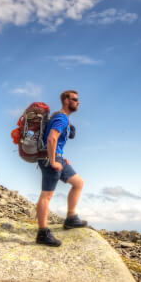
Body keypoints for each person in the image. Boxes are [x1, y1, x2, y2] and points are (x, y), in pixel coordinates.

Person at [35, 89, 86, 246]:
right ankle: (42, 233)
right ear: (66, 100)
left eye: (78, 99)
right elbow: (51, 139)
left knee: (78, 183)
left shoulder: (63, 118)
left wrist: (60, 158)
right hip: (49, 159)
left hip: (57, 157)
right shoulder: (61, 118)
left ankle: (71, 218)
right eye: (75, 99)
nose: (78, 102)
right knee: (46, 195)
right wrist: (53, 161)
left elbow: (55, 142)